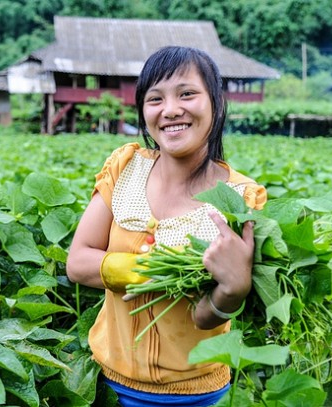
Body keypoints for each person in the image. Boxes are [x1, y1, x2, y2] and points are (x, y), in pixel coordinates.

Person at [66, 45, 267, 406]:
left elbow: (205, 317)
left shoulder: (240, 199)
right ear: (144, 112)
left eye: (187, 94)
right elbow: (78, 262)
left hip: (196, 395)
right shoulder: (125, 167)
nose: (171, 110)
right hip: (107, 383)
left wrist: (232, 291)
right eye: (155, 98)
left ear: (216, 103)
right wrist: (146, 271)